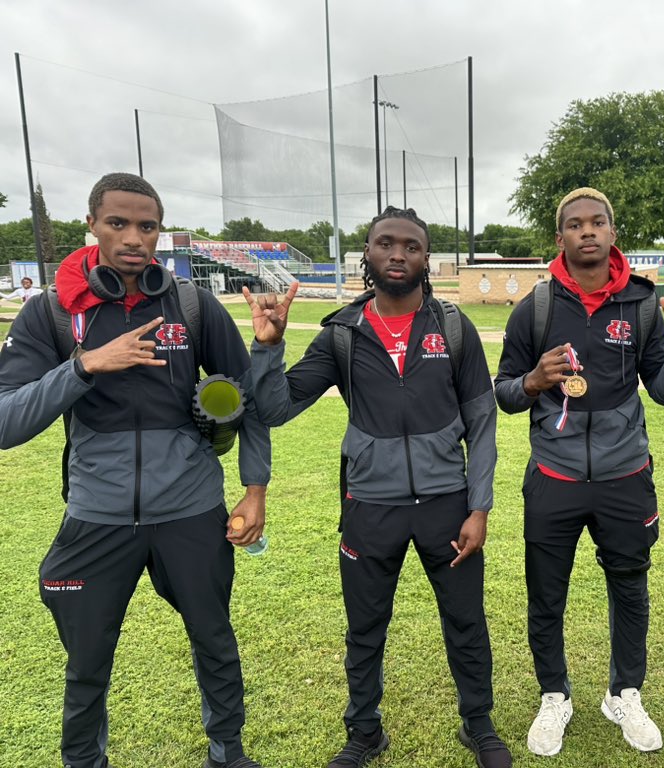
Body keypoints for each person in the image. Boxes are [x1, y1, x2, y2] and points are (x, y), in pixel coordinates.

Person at [0, 173, 271, 768]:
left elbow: (248, 401)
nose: (133, 238)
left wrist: (255, 491)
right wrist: (85, 366)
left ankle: (229, 755)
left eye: (146, 226)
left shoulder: (193, 306)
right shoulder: (51, 312)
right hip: (97, 516)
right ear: (92, 225)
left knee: (215, 640)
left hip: (192, 511)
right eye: (118, 223)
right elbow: (5, 422)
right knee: (88, 659)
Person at [243, 206, 512, 768]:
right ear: (367, 254)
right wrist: (268, 346)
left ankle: (478, 725)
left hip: (447, 505)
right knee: (366, 626)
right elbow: (275, 407)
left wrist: (479, 506)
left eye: (411, 246)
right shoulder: (343, 333)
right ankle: (364, 732)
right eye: (385, 244)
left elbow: (482, 424)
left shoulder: (454, 330)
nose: (397, 254)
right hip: (369, 505)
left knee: (465, 620)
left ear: (426, 259)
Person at [493, 187, 664, 756]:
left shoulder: (639, 306)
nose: (587, 231)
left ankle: (624, 693)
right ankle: (554, 696)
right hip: (554, 478)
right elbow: (505, 394)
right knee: (547, 594)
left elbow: (663, 393)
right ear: (560, 237)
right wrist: (534, 381)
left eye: (598, 222)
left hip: (624, 476)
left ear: (613, 234)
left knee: (630, 588)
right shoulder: (534, 308)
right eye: (575, 224)